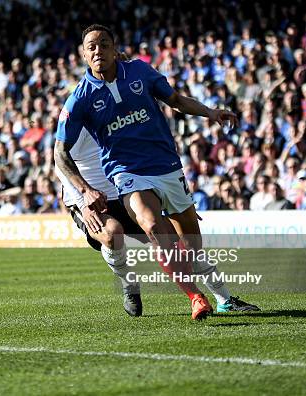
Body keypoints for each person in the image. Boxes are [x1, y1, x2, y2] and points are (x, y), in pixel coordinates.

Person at [54, 24, 245, 319]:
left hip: (167, 166)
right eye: (91, 46)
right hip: (126, 175)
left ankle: (224, 298)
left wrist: (211, 112)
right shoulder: (79, 101)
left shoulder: (140, 73)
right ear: (83, 55)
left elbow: (177, 101)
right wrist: (83, 194)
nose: (98, 50)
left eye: (104, 44)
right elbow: (59, 155)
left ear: (115, 49)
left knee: (190, 244)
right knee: (152, 228)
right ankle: (192, 296)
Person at [56, 126, 260, 317]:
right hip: (89, 199)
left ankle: (224, 299)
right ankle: (129, 283)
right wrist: (82, 202)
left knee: (180, 238)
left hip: (125, 192)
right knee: (112, 233)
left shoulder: (119, 112)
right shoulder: (79, 113)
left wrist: (179, 204)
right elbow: (60, 160)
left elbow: (145, 158)